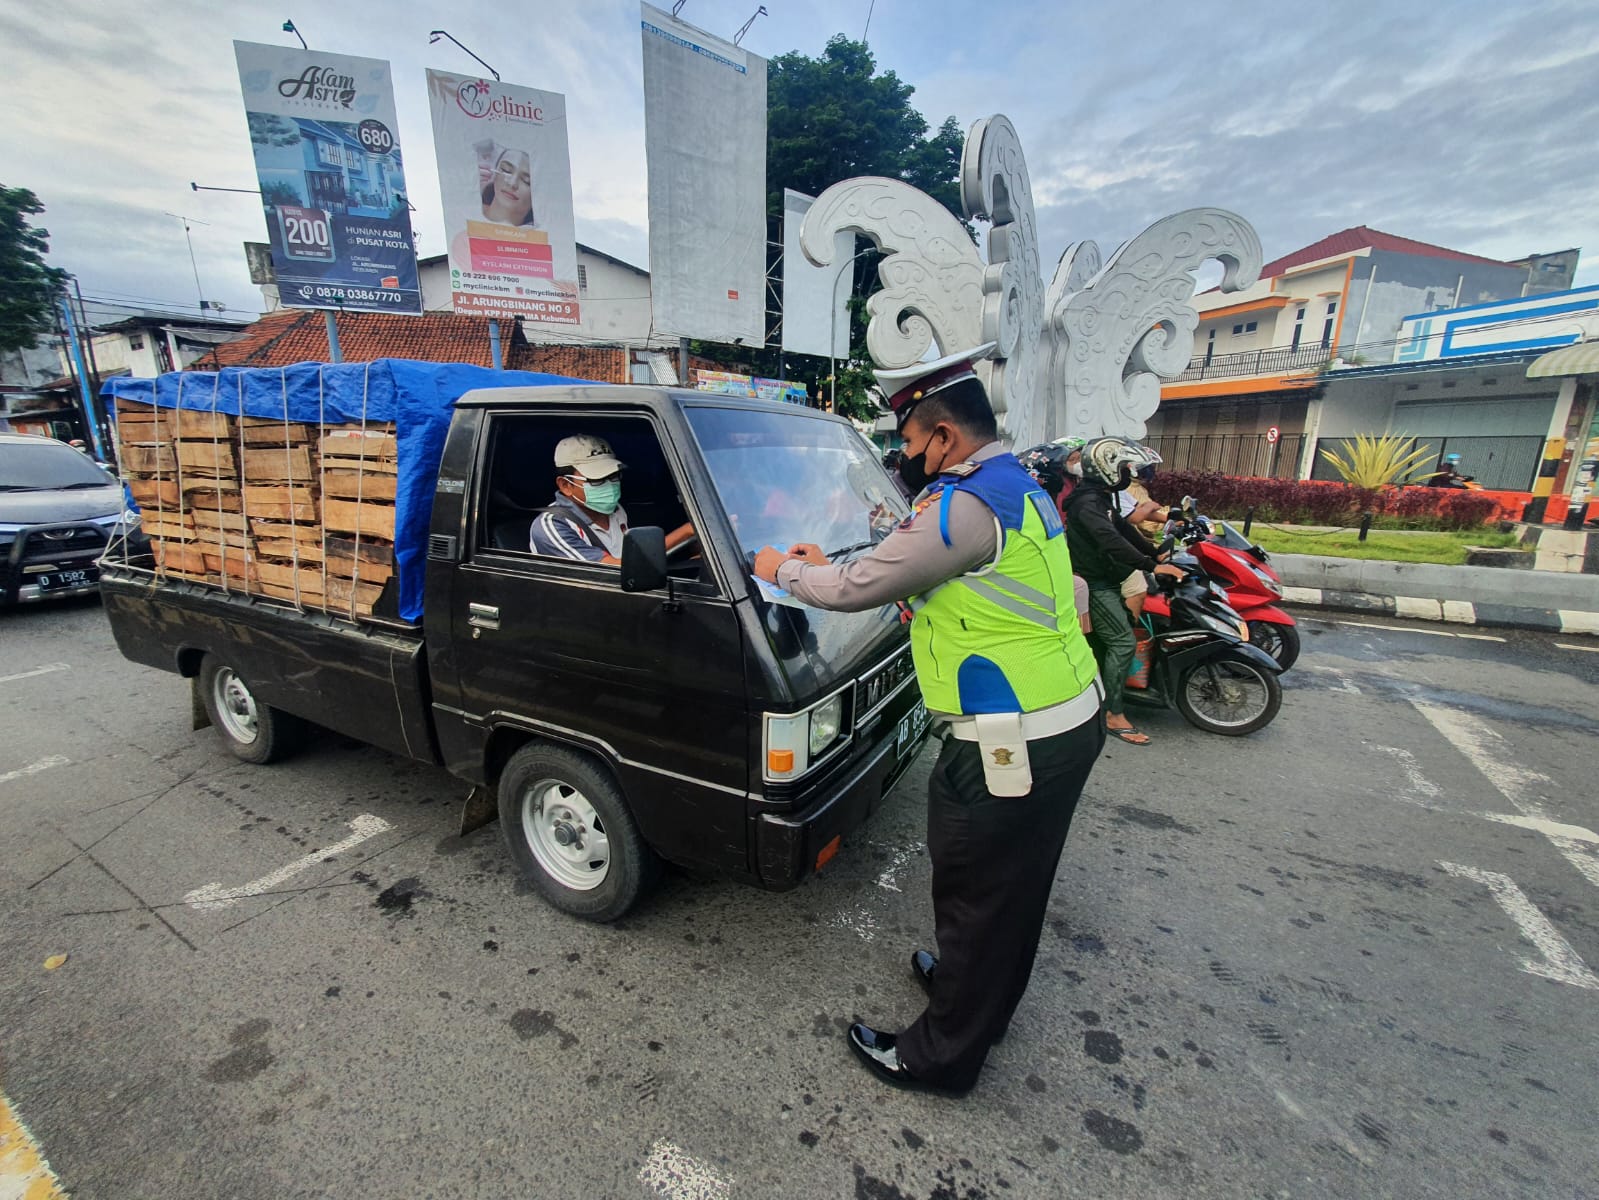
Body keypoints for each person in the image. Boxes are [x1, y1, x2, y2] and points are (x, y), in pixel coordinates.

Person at [752, 345, 1106, 1096]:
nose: (906, 455)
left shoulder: (964, 504)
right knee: (1012, 890)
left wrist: (780, 568)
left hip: (1012, 740)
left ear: (943, 436)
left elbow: (855, 587)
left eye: (911, 441)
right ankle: (976, 1000)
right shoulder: (1017, 486)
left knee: (977, 893)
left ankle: (939, 1057)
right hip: (1062, 719)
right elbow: (962, 589)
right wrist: (831, 565)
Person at [1063, 438, 1185, 746]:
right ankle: (1113, 714)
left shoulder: (1100, 499)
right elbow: (1109, 539)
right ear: (1106, 469)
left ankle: (1098, 699)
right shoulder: (1086, 504)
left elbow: (1123, 529)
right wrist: (1151, 566)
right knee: (1122, 642)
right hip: (1094, 583)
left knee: (1106, 644)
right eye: (1123, 469)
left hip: (1106, 578)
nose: (1128, 475)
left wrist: (1155, 553)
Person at [529, 435, 694, 564]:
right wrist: (686, 532)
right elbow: (612, 570)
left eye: (614, 476)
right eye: (597, 479)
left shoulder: (616, 510)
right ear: (566, 485)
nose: (609, 485)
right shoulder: (552, 525)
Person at [481, 148, 535, 226]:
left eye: (526, 181)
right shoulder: (467, 210)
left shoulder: (540, 230)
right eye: (506, 170)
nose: (512, 183)